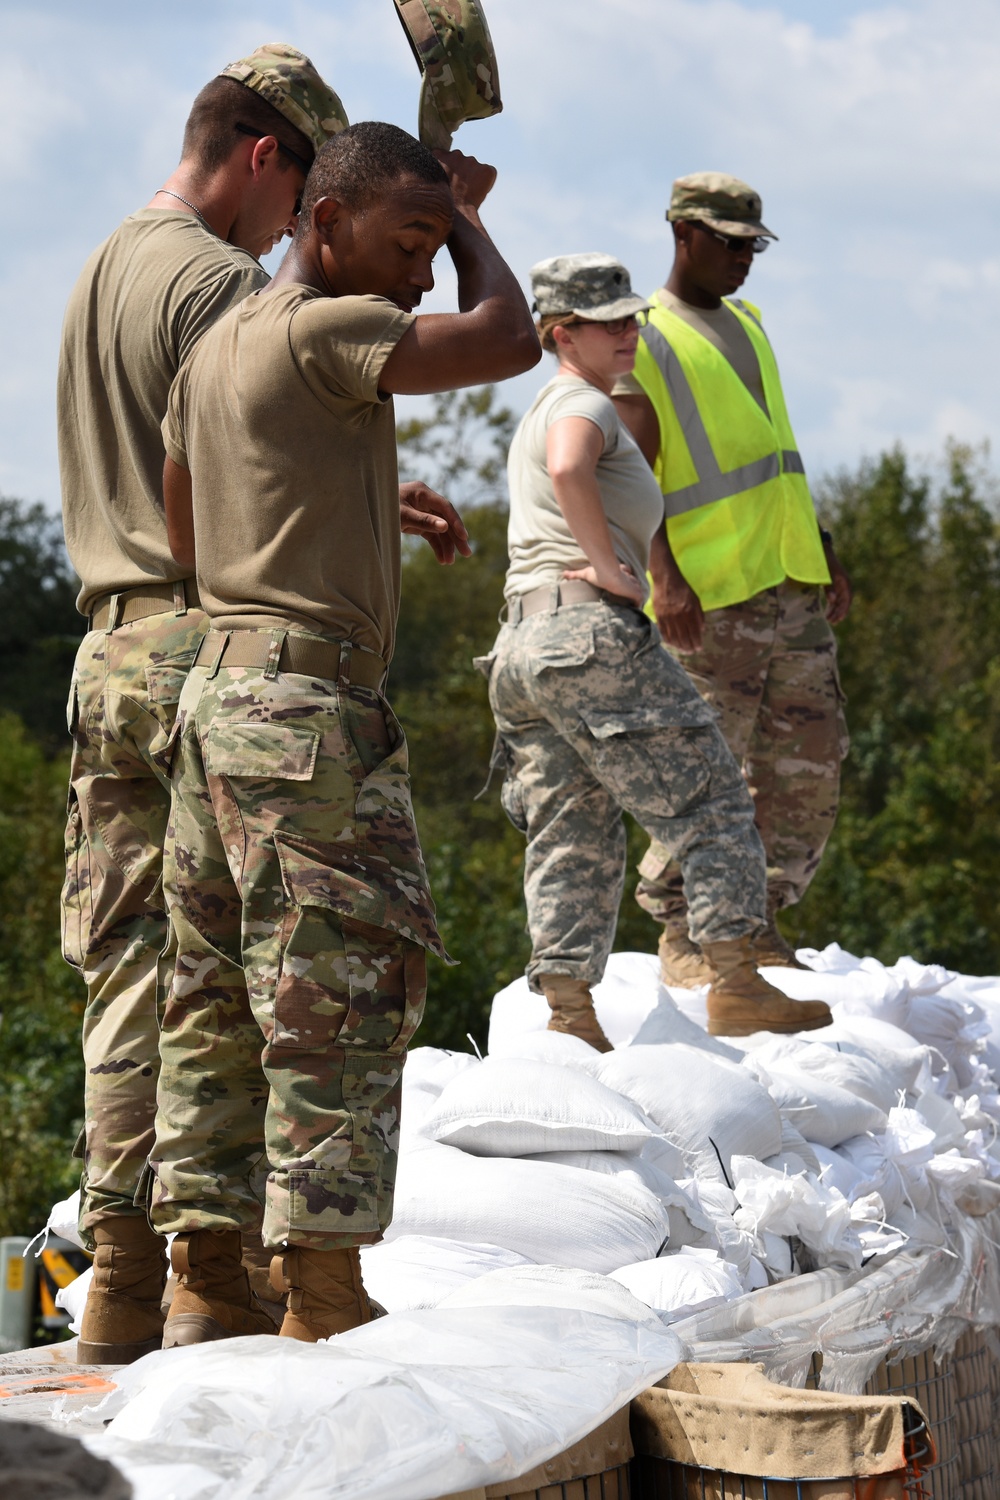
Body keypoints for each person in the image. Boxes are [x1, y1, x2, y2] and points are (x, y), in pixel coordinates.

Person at [56, 44, 457, 1365]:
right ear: (269, 160)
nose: (304, 237)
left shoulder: (100, 271)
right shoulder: (230, 289)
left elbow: (212, 457)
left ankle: (122, 1276)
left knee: (142, 981)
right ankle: (221, 1270)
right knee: (258, 985)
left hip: (105, 652)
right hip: (214, 650)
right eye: (300, 208)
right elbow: (241, 448)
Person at [152, 120, 541, 1346]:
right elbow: (511, 340)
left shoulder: (215, 350)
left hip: (215, 695)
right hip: (306, 714)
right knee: (342, 987)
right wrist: (474, 216)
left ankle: (197, 1279)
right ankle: (321, 1293)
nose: (424, 271)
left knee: (214, 998)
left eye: (437, 244)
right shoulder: (328, 325)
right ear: (322, 224)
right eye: (407, 241)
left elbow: (183, 527)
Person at [482, 252, 832, 1055]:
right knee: (713, 799)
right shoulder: (584, 406)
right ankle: (736, 981)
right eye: (609, 324)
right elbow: (574, 464)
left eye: (633, 318)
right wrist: (610, 567)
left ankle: (570, 1013)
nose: (630, 333)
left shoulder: (541, 406)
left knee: (572, 826)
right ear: (562, 333)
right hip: (588, 635)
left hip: (522, 645)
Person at [612, 173, 853, 988]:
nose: (746, 259)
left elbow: (775, 452)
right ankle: (684, 930)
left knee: (807, 760)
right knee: (705, 766)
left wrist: (822, 547)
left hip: (787, 578)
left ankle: (753, 924)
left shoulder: (749, 322)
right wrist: (663, 575)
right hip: (707, 597)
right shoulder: (644, 335)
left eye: (753, 245)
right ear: (683, 233)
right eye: (730, 242)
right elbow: (633, 470)